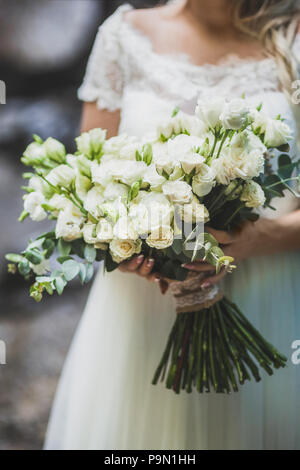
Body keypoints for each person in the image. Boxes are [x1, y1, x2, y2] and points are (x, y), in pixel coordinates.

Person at [45, 0, 300, 450]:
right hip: (142, 314)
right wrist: (124, 248)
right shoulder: (125, 36)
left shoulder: (293, 36)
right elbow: (87, 189)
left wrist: (258, 239)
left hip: (273, 296)